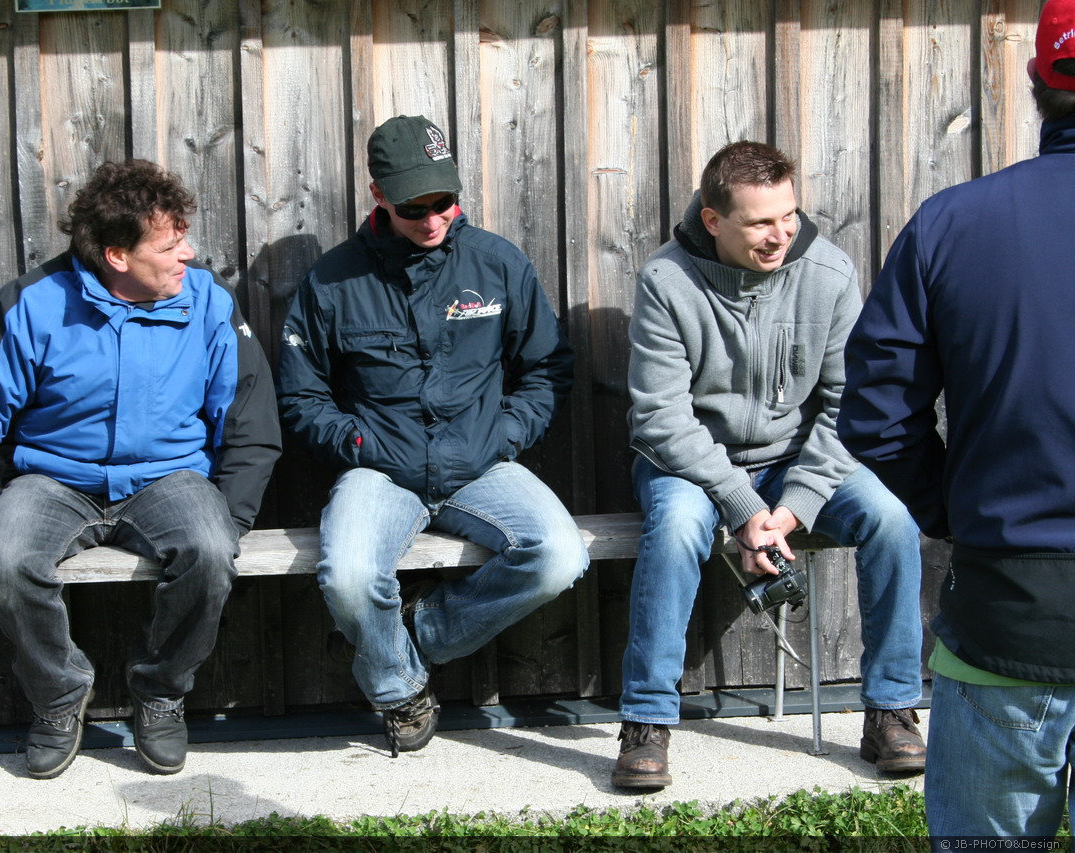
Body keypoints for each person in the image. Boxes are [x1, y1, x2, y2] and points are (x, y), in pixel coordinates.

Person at [0, 159, 281, 779]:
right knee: (8, 560)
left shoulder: (208, 302)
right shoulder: (30, 307)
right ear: (118, 256)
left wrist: (229, 516)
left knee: (210, 550)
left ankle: (161, 692)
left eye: (183, 240)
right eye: (169, 246)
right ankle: (58, 698)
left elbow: (250, 415)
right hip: (53, 481)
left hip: (168, 478)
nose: (188, 255)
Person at [615, 141, 927, 790]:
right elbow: (661, 418)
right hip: (690, 466)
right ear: (713, 220)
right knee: (675, 529)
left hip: (796, 463)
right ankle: (646, 722)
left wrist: (792, 508)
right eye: (760, 222)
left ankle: (891, 710)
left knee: (892, 519)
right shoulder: (667, 280)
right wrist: (744, 505)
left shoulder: (829, 273)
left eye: (789, 215)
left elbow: (848, 404)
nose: (781, 234)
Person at [276, 115, 588, 757]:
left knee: (560, 555)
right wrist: (359, 445)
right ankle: (398, 688)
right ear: (378, 196)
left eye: (443, 200)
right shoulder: (332, 282)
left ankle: (417, 632)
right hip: (380, 470)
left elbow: (547, 369)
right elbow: (301, 397)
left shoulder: (497, 264)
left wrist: (504, 435)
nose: (432, 218)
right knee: (349, 578)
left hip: (481, 463)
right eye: (413, 207)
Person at [838, 1, 1075, 837]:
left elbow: (876, 413)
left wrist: (952, 509)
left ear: (1038, 84)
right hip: (1006, 611)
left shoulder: (951, 221)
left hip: (1006, 609)